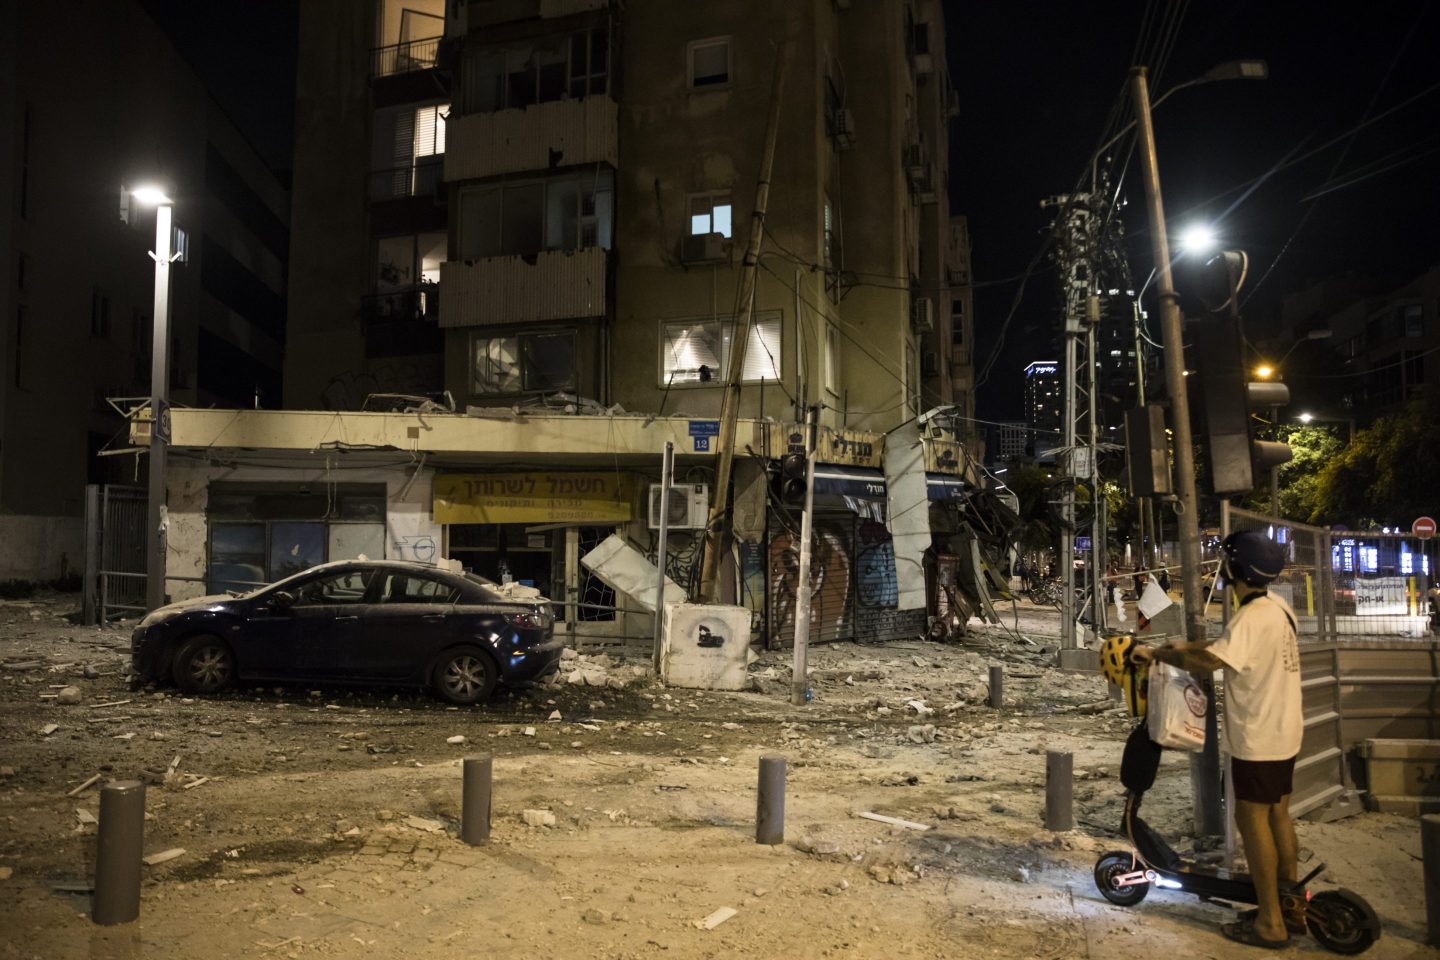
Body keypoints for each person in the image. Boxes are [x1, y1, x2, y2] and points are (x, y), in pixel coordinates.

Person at [1131, 531, 1301, 949]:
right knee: (1278, 815)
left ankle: (1271, 924)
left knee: (1252, 821)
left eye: (1225, 560)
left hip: (1258, 737)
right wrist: (1182, 646)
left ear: (1236, 568)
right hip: (1285, 730)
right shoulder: (1277, 608)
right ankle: (1290, 906)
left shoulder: (1251, 617)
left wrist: (1159, 654)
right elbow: (1228, 648)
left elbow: (1211, 659)